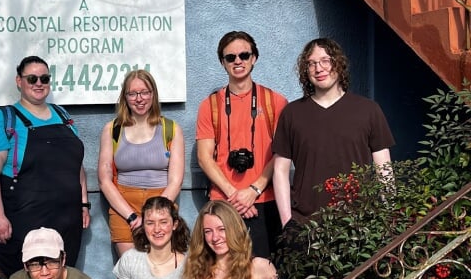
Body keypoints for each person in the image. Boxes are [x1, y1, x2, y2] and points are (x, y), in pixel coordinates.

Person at [0, 55, 90, 277]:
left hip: (67, 222)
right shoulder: (4, 119)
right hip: (23, 223)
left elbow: (77, 166)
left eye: (44, 78)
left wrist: (84, 204)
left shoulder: (63, 115)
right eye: (32, 79)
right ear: (19, 81)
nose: (39, 83)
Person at [272, 37, 395, 229]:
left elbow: (383, 167)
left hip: (359, 222)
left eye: (325, 61)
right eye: (311, 63)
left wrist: (390, 214)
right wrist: (287, 222)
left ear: (338, 63)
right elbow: (280, 170)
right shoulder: (292, 113)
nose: (318, 69)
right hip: (306, 224)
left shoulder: (369, 110)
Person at [196, 31, 288, 258]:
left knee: (267, 273)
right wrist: (234, 195)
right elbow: (204, 157)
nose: (238, 61)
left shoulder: (275, 101)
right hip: (223, 203)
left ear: (254, 58)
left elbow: (282, 153)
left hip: (266, 200)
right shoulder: (210, 105)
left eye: (244, 55)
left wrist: (254, 189)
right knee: (226, 274)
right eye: (230, 57)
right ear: (222, 63)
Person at [97, 70, 185, 256]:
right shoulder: (112, 129)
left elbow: (175, 181)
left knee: (162, 268)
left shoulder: (171, 129)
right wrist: (131, 216)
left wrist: (154, 215)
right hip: (124, 208)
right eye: (132, 93)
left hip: (161, 205)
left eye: (145, 92)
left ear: (153, 94)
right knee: (132, 270)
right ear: (125, 97)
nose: (139, 98)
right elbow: (104, 180)